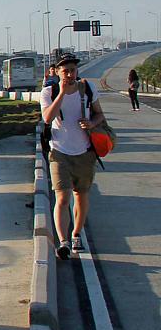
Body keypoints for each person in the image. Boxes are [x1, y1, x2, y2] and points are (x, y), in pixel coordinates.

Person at [40, 54, 106, 260]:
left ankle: (76, 234)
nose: (70, 74)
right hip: (59, 152)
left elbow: (99, 114)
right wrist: (62, 93)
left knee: (81, 195)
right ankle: (64, 242)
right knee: (62, 197)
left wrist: (92, 124)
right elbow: (47, 118)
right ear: (57, 72)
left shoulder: (87, 89)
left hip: (85, 152)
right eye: (65, 70)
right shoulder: (49, 92)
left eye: (73, 70)